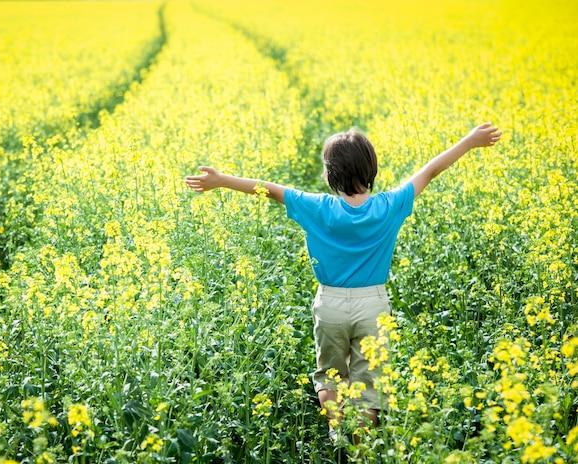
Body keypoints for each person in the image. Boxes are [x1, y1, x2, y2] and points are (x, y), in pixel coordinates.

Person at [184, 122, 502, 442]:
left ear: (328, 174)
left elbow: (267, 188)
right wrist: (469, 141)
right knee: (369, 381)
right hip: (373, 305)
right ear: (371, 168)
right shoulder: (389, 205)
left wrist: (221, 180)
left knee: (330, 376)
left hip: (331, 304)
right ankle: (360, 446)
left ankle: (338, 432)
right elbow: (431, 170)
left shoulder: (316, 207)